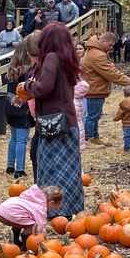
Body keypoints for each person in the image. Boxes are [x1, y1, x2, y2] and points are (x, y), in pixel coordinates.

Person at [24, 22, 84, 216]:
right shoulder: (67, 59)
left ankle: (53, 209)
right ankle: (69, 209)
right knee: (69, 171)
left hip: (53, 125)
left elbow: (44, 87)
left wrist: (27, 88)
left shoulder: (51, 58)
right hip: (68, 123)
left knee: (51, 170)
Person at [81, 32, 130, 144]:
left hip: (95, 88)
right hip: (94, 90)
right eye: (110, 45)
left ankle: (93, 136)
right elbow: (111, 73)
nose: (111, 48)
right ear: (103, 41)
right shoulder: (97, 55)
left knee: (94, 115)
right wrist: (128, 82)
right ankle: (89, 137)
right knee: (92, 116)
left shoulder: (95, 52)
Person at [0, 184, 64, 248]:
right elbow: (39, 225)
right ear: (51, 203)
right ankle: (25, 245)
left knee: (23, 219)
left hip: (2, 210)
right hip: (10, 214)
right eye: (58, 204)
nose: (60, 206)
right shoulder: (40, 208)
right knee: (32, 227)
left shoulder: (32, 196)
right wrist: (44, 236)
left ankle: (16, 239)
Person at [5, 39, 34, 178]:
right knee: (22, 139)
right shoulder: (28, 70)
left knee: (14, 137)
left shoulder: (11, 69)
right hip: (23, 106)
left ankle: (10, 165)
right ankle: (19, 169)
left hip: (11, 106)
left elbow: (9, 91)